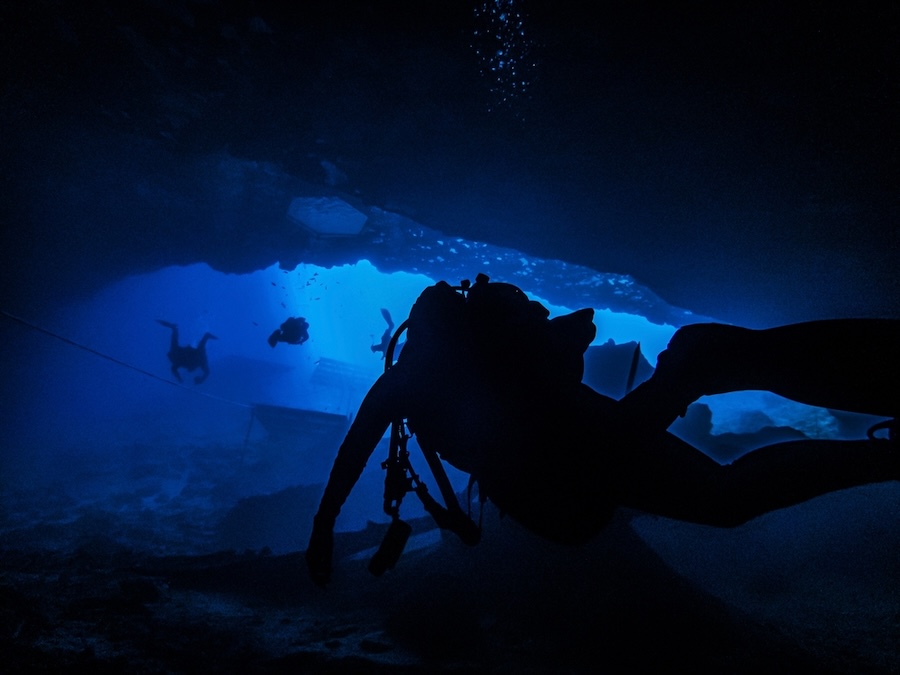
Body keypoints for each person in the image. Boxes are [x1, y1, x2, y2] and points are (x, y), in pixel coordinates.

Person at [305, 275, 899, 586]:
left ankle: (880, 457)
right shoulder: (448, 368)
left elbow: (354, 453)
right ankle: (696, 368)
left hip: (565, 465)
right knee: (723, 498)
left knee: (725, 499)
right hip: (585, 443)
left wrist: (323, 530)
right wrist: (322, 530)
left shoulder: (405, 380)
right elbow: (569, 347)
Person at [157, 320, 218, 384]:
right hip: (190, 354)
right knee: (200, 350)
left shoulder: (181, 362)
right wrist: (200, 380)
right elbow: (207, 372)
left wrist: (179, 378)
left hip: (186, 354)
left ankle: (174, 328)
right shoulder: (200, 362)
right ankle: (174, 328)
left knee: (175, 348)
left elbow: (174, 369)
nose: (190, 370)